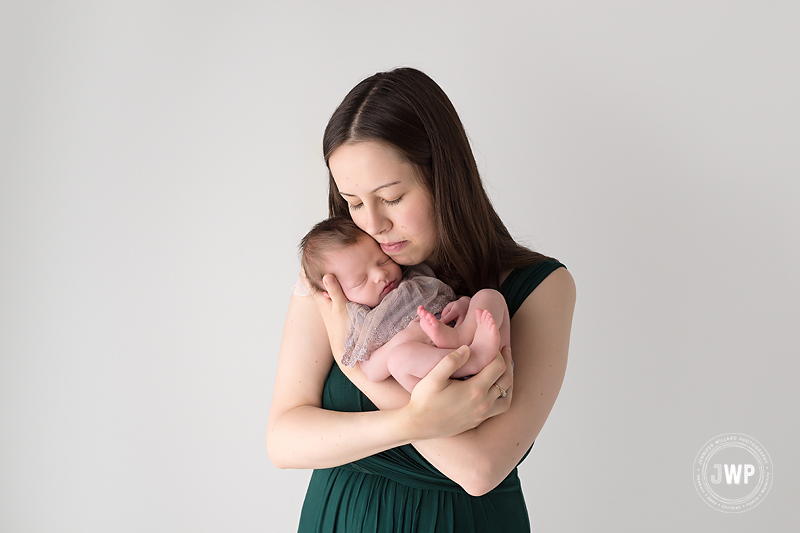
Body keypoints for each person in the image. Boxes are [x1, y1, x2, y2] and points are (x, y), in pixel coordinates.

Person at [267, 67, 576, 532]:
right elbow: (284, 441)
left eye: (390, 197)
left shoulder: (539, 288)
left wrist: (351, 358)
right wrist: (415, 420)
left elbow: (478, 469)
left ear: (443, 179)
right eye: (352, 202)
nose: (372, 223)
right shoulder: (336, 281)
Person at [299, 216, 511, 392]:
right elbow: (371, 371)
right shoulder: (363, 321)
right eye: (361, 280)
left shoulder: (415, 278)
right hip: (443, 381)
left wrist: (463, 305)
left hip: (471, 339)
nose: (380, 274)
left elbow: (452, 296)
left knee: (488, 296)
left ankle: (463, 339)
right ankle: (472, 361)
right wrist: (407, 337)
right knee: (399, 360)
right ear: (335, 292)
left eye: (383, 260)